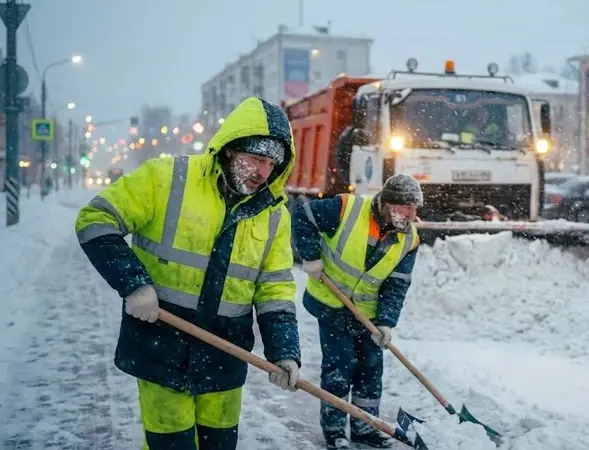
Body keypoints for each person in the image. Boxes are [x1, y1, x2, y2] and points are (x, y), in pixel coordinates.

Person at [75, 97, 301, 450]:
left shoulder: (274, 214)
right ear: (229, 149)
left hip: (225, 354)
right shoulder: (166, 177)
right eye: (257, 159)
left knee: (219, 445)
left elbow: (274, 289)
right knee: (171, 444)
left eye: (272, 164)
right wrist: (134, 285)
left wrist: (284, 351)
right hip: (161, 343)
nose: (263, 173)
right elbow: (96, 220)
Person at [292, 174, 424, 449]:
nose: (412, 215)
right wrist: (311, 255)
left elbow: (396, 285)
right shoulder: (346, 208)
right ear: (388, 203)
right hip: (332, 303)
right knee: (339, 368)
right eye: (406, 208)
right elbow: (302, 216)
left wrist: (386, 323)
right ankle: (335, 431)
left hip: (369, 313)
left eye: (415, 208)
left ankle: (365, 427)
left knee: (370, 371)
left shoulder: (409, 239)